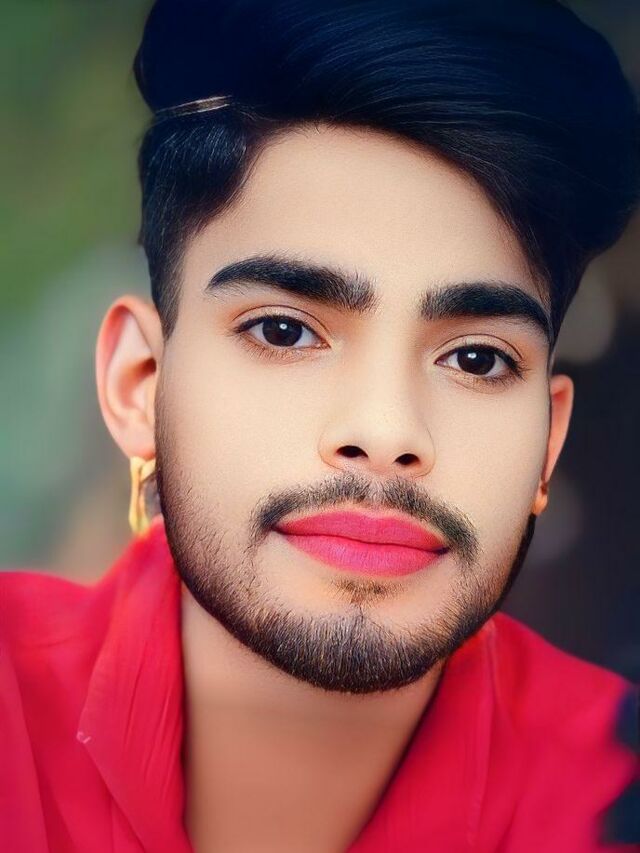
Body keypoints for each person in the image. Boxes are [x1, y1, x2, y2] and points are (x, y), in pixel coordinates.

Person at [1, 0, 639, 850]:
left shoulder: (613, 792)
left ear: (547, 444)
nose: (386, 429)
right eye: (284, 331)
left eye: (477, 358)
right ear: (139, 384)